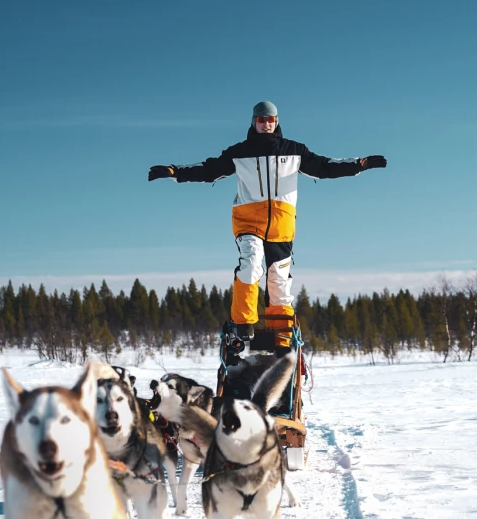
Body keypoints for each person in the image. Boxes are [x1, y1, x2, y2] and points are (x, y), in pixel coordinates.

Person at [148, 101, 386, 347]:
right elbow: (209, 170)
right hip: (248, 220)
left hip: (281, 225)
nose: (266, 124)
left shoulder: (294, 151)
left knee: (279, 281)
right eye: (261, 120)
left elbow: (325, 167)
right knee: (251, 264)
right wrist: (174, 171)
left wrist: (359, 165)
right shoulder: (240, 152)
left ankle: (281, 338)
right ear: (254, 122)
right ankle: (244, 323)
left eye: (270, 119)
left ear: (277, 121)